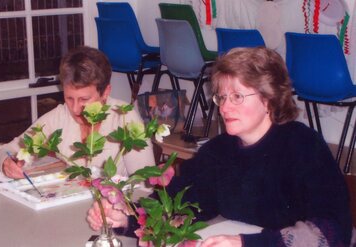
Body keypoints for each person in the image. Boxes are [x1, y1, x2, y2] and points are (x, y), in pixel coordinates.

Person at [87, 47, 352, 246]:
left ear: (269, 99)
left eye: (237, 96)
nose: (224, 107)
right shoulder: (219, 150)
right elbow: (181, 202)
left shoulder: (303, 147)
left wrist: (244, 243)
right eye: (222, 97)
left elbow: (329, 231)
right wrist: (126, 218)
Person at [0, 46, 155, 179]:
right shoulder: (60, 116)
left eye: (84, 99)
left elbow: (145, 186)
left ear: (105, 92)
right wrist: (6, 163)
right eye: (69, 98)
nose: (76, 109)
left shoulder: (125, 118)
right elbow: (8, 149)